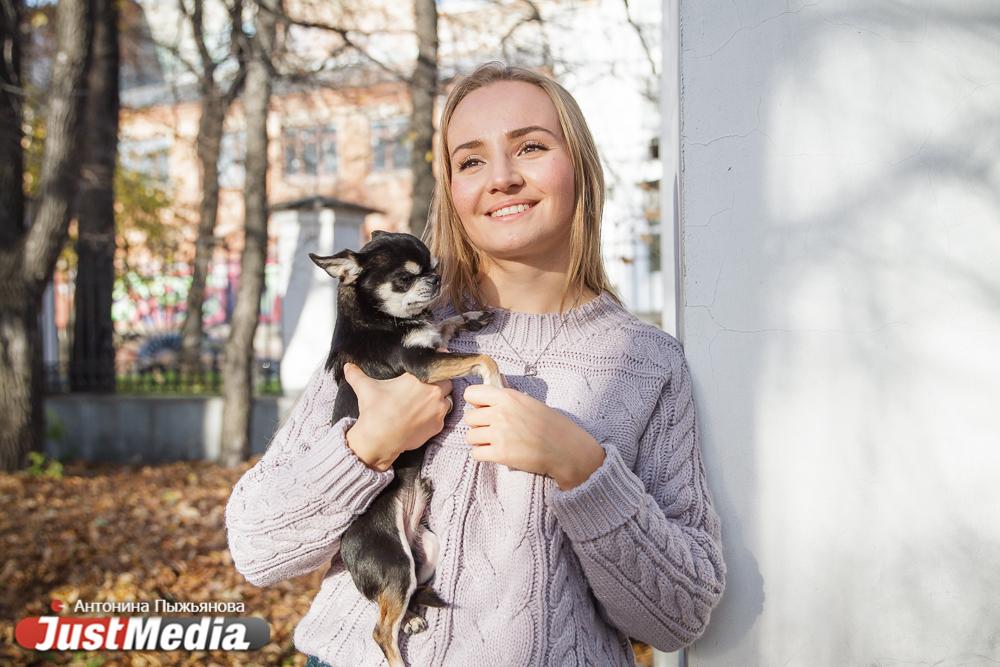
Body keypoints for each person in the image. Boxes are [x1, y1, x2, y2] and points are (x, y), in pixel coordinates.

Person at [225, 61, 726, 666]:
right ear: (452, 192)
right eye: (470, 161)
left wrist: (583, 467)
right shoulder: (386, 332)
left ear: (580, 167)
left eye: (531, 147)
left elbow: (679, 616)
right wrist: (367, 446)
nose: (502, 178)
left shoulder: (647, 362)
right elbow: (257, 549)